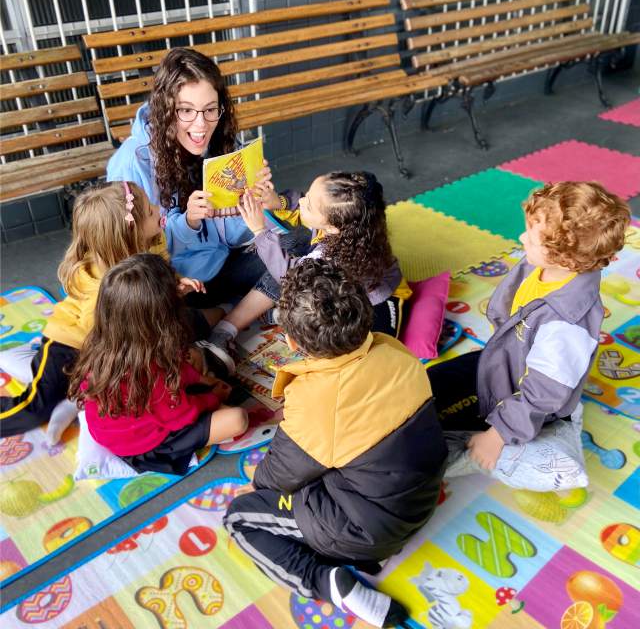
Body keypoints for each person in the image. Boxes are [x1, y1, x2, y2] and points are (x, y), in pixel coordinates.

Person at [224, 259, 447, 628]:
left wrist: (258, 487)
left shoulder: (316, 400)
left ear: (292, 342)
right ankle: (352, 556)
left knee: (241, 517)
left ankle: (323, 582)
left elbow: (275, 477)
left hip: (368, 530)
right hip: (420, 495)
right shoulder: (393, 349)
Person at [429, 181, 630, 486]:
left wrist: (496, 436)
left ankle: (559, 441)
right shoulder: (542, 263)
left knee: (442, 447)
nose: (521, 238)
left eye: (532, 239)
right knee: (429, 385)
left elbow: (542, 393)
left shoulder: (567, 325)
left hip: (528, 397)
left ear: (565, 259)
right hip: (502, 363)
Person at [106, 47, 290, 308]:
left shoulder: (219, 139)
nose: (201, 125)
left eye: (210, 109)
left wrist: (256, 200)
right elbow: (129, 256)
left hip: (222, 260)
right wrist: (190, 222)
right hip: (175, 282)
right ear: (166, 109)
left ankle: (227, 315)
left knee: (301, 247)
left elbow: (234, 233)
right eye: (186, 111)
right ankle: (227, 315)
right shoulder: (132, 162)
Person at [0, 181, 178, 439]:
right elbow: (100, 342)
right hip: (69, 344)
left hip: (105, 346)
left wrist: (176, 283)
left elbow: (161, 275)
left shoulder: (148, 244)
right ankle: (65, 390)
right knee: (36, 407)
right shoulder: (103, 293)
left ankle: (72, 396)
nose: (157, 209)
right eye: (150, 211)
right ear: (132, 233)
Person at [198, 171, 412, 373]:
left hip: (369, 307)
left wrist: (259, 231)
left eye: (308, 205)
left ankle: (231, 326)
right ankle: (260, 315)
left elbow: (288, 275)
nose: (301, 202)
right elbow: (306, 212)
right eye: (307, 196)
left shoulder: (328, 259)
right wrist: (279, 202)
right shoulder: (357, 225)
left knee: (360, 352)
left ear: (332, 227)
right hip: (332, 287)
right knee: (295, 240)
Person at [68, 253, 248, 475]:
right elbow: (182, 414)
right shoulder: (145, 372)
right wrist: (212, 398)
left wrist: (200, 379)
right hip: (141, 444)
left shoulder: (116, 340)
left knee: (194, 359)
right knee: (237, 419)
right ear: (162, 314)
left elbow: (177, 367)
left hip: (142, 414)